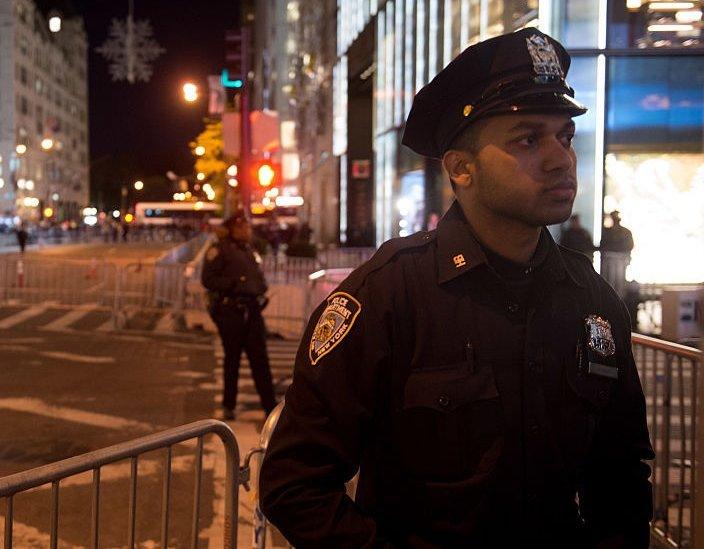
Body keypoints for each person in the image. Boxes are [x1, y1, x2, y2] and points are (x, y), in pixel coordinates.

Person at [259, 28, 653, 548]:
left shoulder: (593, 302)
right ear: (461, 169)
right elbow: (296, 484)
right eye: (528, 139)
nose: (561, 159)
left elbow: (621, 476)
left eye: (564, 136)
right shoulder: (387, 296)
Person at [202, 214, 277, 420]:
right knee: (232, 359)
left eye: (248, 227)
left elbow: (258, 277)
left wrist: (260, 289)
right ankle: (229, 404)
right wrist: (234, 285)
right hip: (231, 312)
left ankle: (270, 406)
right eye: (243, 227)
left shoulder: (248, 250)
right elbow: (208, 279)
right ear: (232, 229)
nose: (247, 231)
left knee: (260, 360)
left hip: (252, 311)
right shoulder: (219, 250)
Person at [599, 210, 634, 297]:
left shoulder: (625, 232)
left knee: (619, 282)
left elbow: (629, 246)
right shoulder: (608, 232)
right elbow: (603, 246)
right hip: (610, 258)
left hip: (620, 259)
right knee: (610, 282)